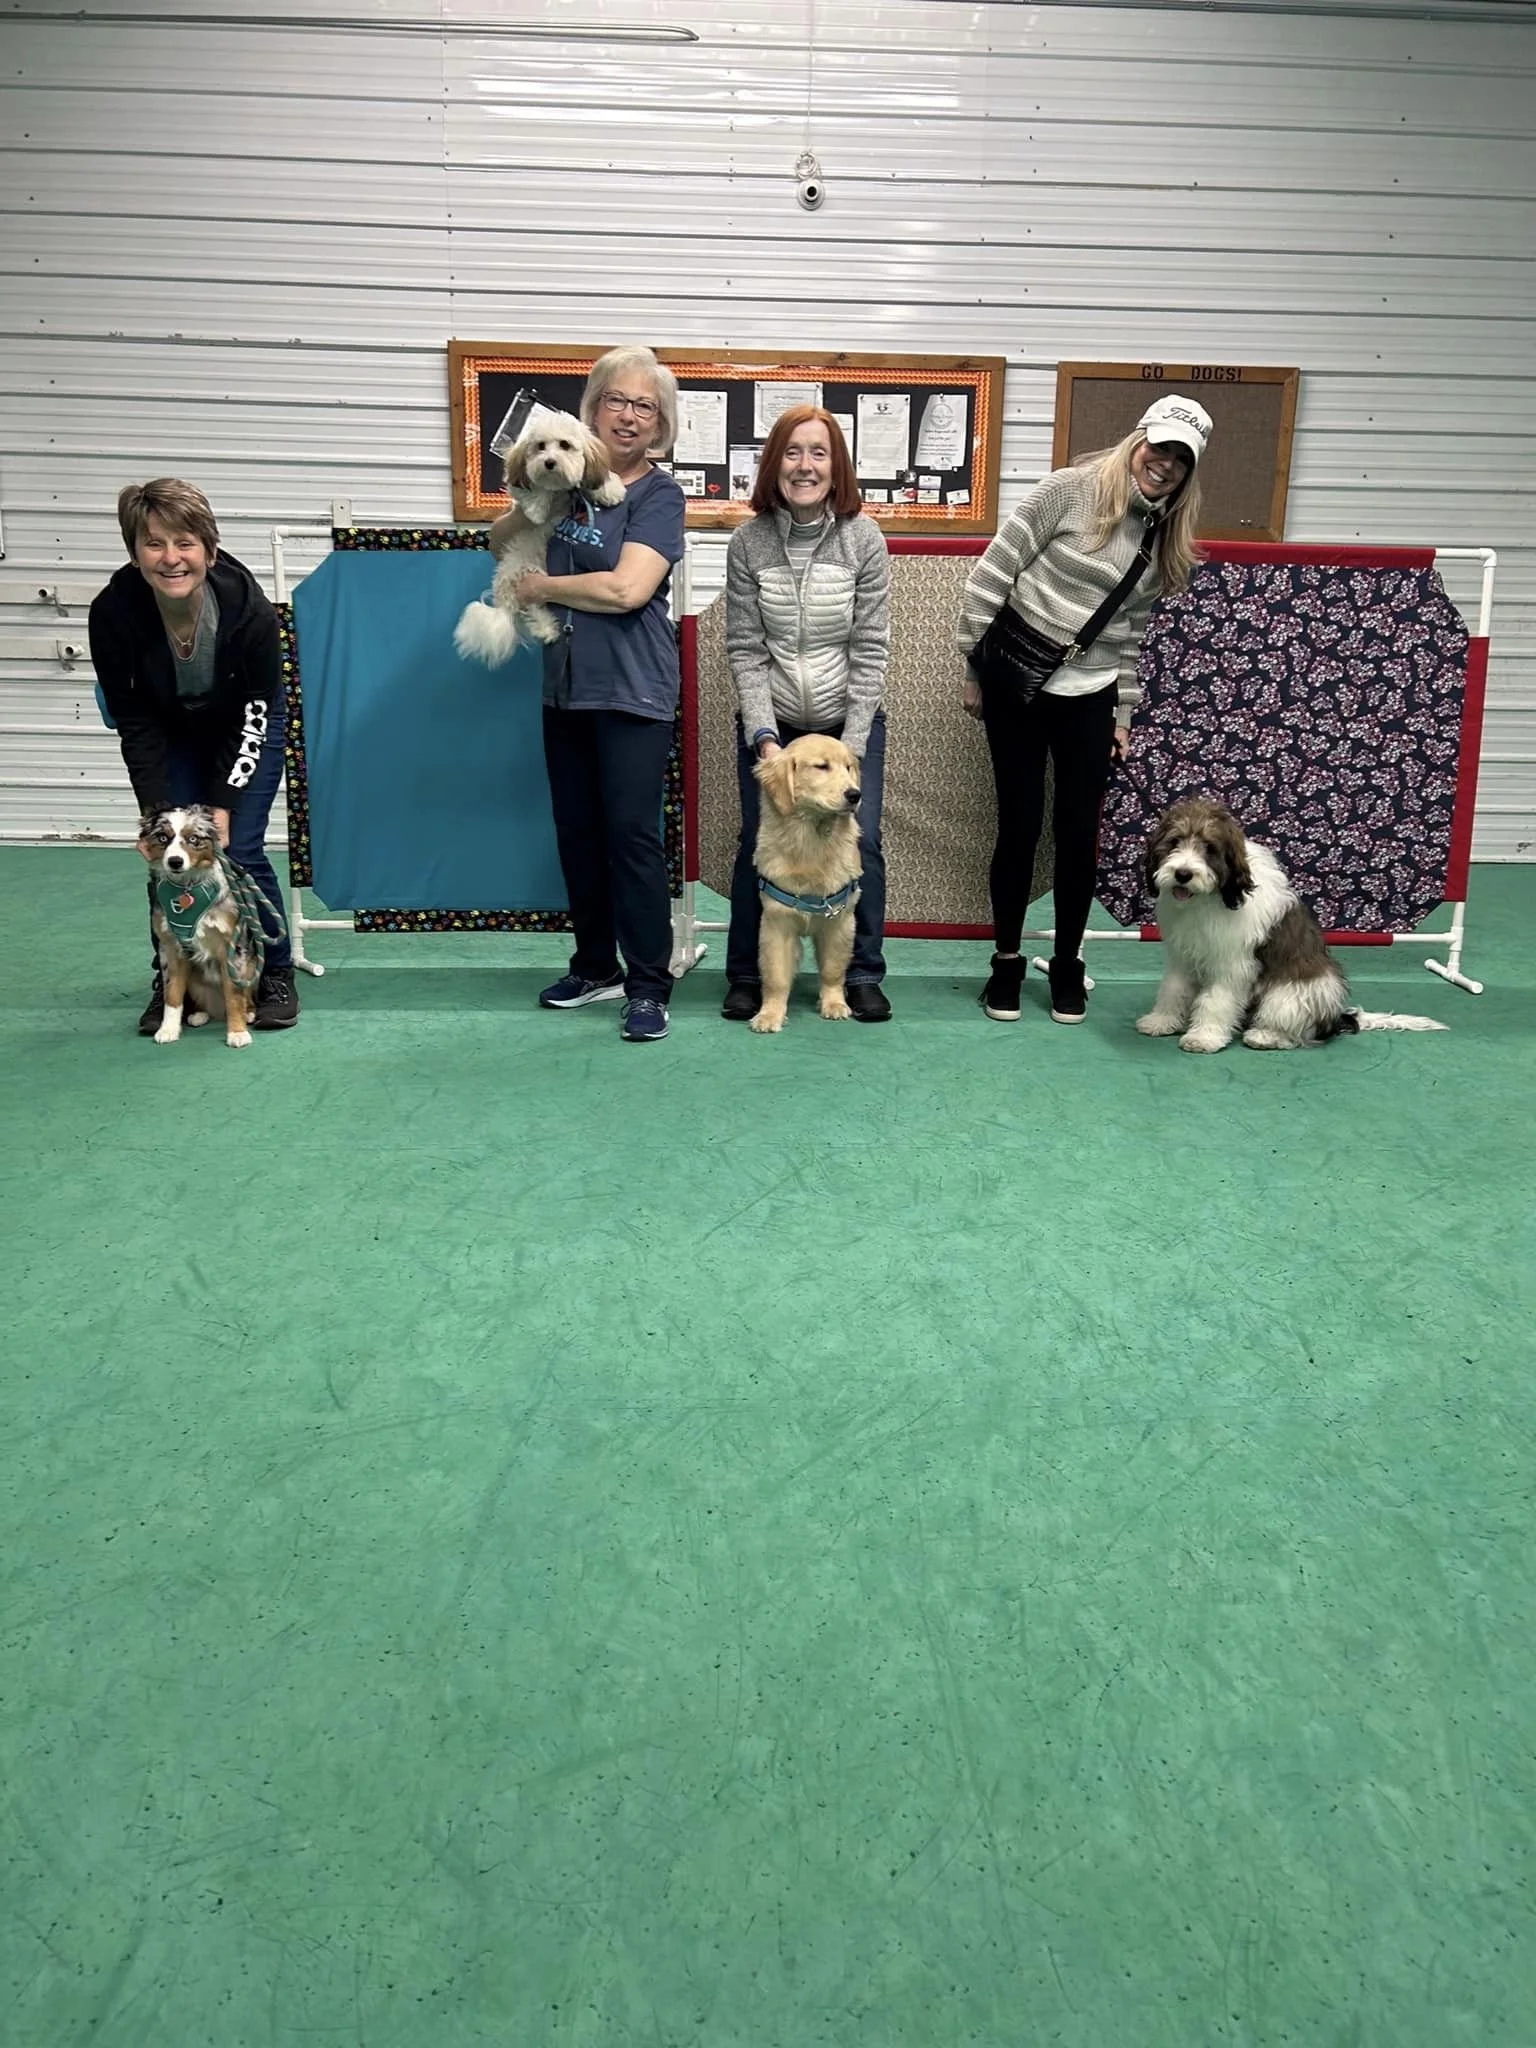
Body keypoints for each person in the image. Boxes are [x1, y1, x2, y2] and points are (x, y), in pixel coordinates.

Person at [956, 393, 1212, 1026]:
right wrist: (972, 665)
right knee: (1018, 828)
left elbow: (1128, 637)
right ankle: (1007, 965)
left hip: (1090, 697)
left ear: (1189, 472)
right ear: (1138, 438)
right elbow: (991, 576)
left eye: (1182, 459)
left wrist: (1122, 716)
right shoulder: (1065, 492)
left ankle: (1068, 965)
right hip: (1017, 685)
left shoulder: (1163, 536)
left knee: (1078, 838)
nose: (1165, 465)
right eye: (1161, 447)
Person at [501, 346, 687, 1044]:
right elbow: (499, 541)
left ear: (660, 423)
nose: (630, 415)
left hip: (634, 691)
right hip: (564, 690)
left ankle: (647, 983)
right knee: (577, 834)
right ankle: (593, 965)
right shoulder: (565, 483)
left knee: (633, 840)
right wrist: (538, 495)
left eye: (646, 406)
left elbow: (628, 588)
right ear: (593, 409)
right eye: (618, 400)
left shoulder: (659, 496)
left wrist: (542, 587)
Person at [88, 479, 298, 1034]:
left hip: (244, 721)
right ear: (135, 551)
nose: (171, 558)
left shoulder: (249, 608)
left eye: (184, 542)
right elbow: (134, 721)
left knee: (241, 847)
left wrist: (223, 801)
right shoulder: (112, 613)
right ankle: (172, 978)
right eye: (154, 544)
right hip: (167, 724)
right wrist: (157, 814)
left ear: (208, 545)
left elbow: (256, 710)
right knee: (171, 855)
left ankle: (272, 971)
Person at [720, 405, 892, 1023]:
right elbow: (745, 648)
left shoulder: (862, 539)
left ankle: (860, 974)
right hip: (777, 725)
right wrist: (766, 739)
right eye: (793, 452)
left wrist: (848, 751)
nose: (805, 466)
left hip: (848, 723)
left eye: (819, 453)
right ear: (775, 464)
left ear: (836, 465)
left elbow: (870, 648)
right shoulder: (749, 542)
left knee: (860, 843)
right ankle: (747, 975)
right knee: (757, 844)